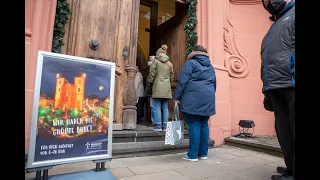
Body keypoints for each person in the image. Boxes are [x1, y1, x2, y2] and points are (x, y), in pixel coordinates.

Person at [261, 0, 295, 179]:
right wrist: (266, 90)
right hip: (275, 86)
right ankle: (291, 167)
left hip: (291, 83)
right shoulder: (274, 25)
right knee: (284, 131)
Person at [174, 45, 216, 162]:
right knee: (204, 124)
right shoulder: (210, 66)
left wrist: (177, 96)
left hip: (193, 97)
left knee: (194, 123)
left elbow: (182, 81)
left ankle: (192, 155)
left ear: (193, 52)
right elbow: (214, 84)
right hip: (208, 97)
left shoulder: (190, 63)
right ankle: (203, 153)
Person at [147, 45, 174, 132]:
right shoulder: (170, 64)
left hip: (157, 86)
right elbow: (172, 77)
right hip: (166, 87)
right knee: (165, 107)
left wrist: (149, 84)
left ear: (158, 54)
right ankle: (165, 126)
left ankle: (158, 126)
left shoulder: (156, 61)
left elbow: (152, 74)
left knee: (156, 106)